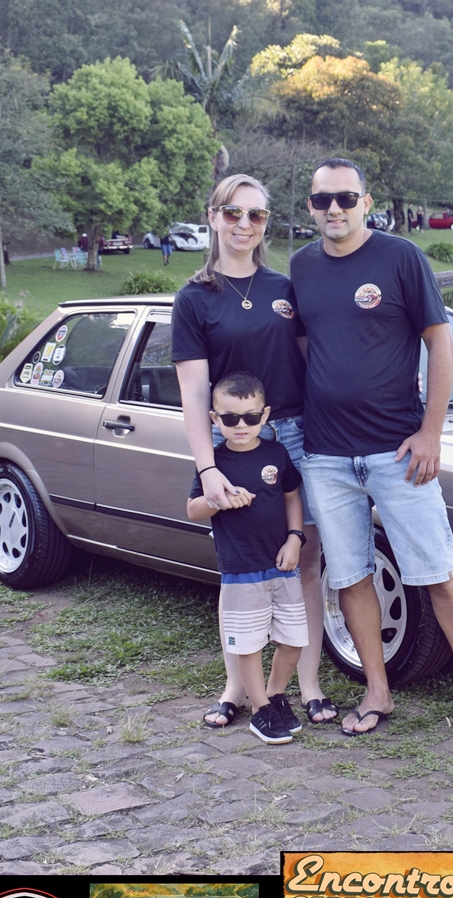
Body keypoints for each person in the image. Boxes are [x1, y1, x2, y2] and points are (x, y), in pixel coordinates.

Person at [289, 157, 453, 742]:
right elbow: (306, 344)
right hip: (326, 455)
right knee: (350, 576)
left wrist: (431, 432)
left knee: (439, 572)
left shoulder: (402, 258)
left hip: (398, 451)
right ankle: (377, 691)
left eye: (346, 197)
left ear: (366, 201)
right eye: (322, 199)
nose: (334, 209)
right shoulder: (301, 266)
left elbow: (440, 344)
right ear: (310, 206)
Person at [173, 172, 338, 730]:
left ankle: (307, 685)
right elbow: (194, 394)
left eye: (257, 214)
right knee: (240, 568)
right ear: (213, 217)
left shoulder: (283, 288)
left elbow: (317, 361)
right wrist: (208, 467)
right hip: (234, 440)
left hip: (295, 435)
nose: (244, 224)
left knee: (304, 561)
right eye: (233, 213)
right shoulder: (194, 299)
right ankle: (237, 688)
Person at [184, 371, 307, 745]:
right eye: (230, 418)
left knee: (294, 640)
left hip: (282, 566)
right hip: (241, 570)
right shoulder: (214, 464)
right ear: (214, 419)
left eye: (251, 417)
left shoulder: (276, 454)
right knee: (248, 645)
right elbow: (193, 509)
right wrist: (219, 498)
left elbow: (292, 497)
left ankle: (275, 695)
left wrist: (295, 538)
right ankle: (259, 710)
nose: (241, 426)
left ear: (264, 415)